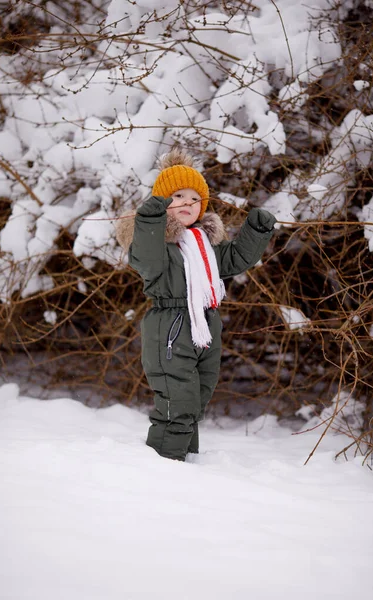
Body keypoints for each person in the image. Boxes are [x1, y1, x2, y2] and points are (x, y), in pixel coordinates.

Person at [116, 148, 276, 461]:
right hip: (171, 328)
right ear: (162, 204)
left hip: (204, 326)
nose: (187, 202)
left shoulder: (203, 244)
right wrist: (149, 219)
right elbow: (146, 258)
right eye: (177, 196)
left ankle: (184, 463)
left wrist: (255, 232)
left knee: (196, 399)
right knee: (179, 400)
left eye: (194, 197)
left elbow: (236, 258)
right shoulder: (156, 244)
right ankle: (164, 462)